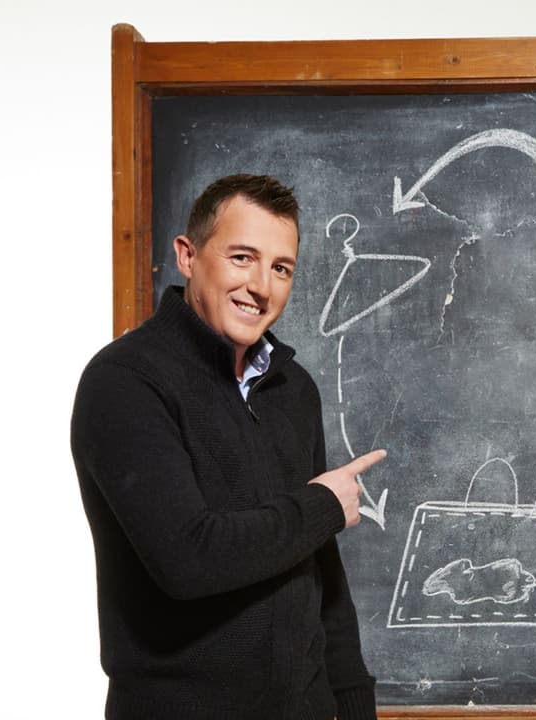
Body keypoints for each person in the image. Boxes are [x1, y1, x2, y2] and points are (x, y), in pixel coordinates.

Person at [71, 174, 388, 719]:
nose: (261, 286)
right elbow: (187, 559)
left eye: (281, 268)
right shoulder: (125, 381)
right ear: (188, 256)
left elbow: (322, 575)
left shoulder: (294, 390)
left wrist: (356, 704)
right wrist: (322, 507)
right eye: (242, 258)